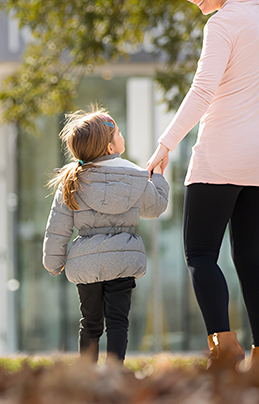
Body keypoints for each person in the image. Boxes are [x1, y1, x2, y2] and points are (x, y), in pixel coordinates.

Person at [146, 0, 259, 370]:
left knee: (201, 254)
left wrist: (165, 143)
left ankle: (225, 351)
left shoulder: (222, 24)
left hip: (223, 154)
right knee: (250, 257)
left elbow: (203, 90)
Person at [43, 109, 169, 363]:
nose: (122, 135)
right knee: (118, 322)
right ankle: (114, 373)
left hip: (86, 264)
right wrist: (159, 178)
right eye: (118, 133)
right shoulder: (135, 176)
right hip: (122, 260)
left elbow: (58, 226)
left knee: (89, 321)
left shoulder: (72, 180)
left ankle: (87, 374)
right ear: (111, 147)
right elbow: (155, 207)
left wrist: (53, 262)